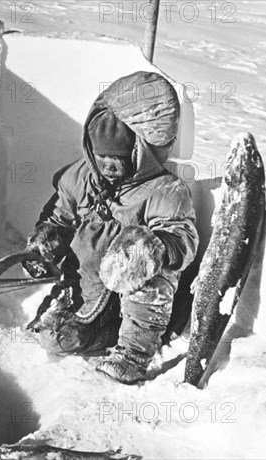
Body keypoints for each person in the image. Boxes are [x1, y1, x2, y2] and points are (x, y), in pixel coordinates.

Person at [24, 71, 199, 384]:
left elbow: (181, 240)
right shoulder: (79, 177)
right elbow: (60, 216)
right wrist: (47, 240)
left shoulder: (165, 190)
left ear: (139, 150)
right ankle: (100, 329)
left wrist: (152, 248)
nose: (107, 165)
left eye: (117, 158)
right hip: (90, 292)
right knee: (52, 337)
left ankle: (132, 355)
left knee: (145, 267)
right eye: (101, 156)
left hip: (140, 305)